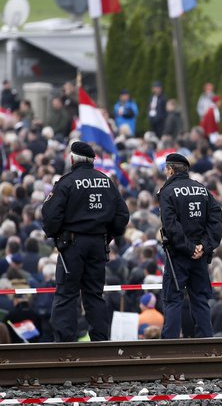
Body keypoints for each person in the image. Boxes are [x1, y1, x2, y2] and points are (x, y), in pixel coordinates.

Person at [41, 141, 129, 342]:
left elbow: (50, 215)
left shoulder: (67, 182)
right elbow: (122, 215)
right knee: (94, 294)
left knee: (66, 294)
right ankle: (99, 341)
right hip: (98, 245)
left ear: (72, 159)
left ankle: (65, 344)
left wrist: (56, 235)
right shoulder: (107, 182)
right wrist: (109, 235)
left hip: (72, 244)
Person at [157, 153, 222, 338]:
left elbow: (171, 226)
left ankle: (169, 346)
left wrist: (189, 247)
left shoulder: (167, 192)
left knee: (173, 300)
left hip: (178, 255)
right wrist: (203, 246)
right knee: (201, 300)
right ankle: (207, 344)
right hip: (200, 255)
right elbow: (217, 221)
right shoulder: (202, 190)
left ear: (170, 169)